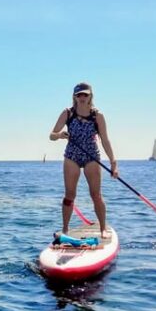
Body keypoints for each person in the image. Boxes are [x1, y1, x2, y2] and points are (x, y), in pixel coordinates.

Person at [49, 82, 118, 237]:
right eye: (79, 94)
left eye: (85, 94)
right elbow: (52, 135)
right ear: (74, 96)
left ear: (90, 96)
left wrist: (113, 163)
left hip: (91, 156)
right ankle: (65, 229)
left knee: (96, 195)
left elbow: (105, 140)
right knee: (70, 195)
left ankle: (102, 229)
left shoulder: (97, 116)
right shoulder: (67, 113)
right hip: (72, 156)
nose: (82, 97)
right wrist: (59, 135)